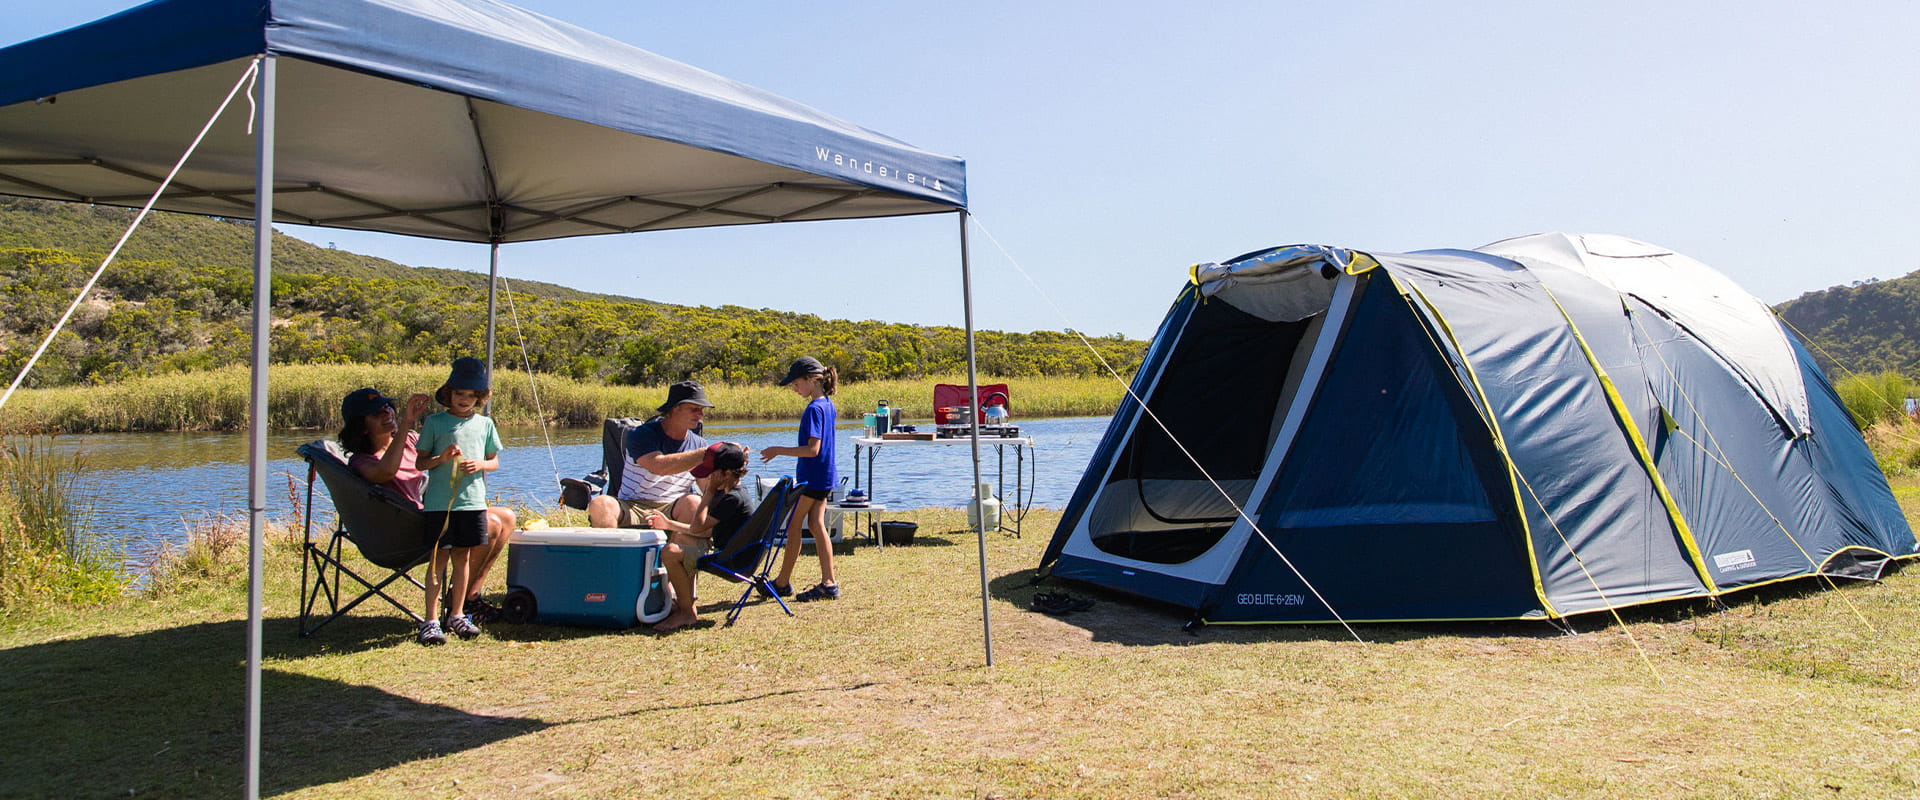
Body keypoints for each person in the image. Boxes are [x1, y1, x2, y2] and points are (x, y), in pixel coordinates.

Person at [337, 385, 516, 639]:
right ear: (362, 426)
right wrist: (405, 423)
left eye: (387, 407)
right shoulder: (362, 460)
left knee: (506, 517)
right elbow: (386, 472)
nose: (386, 412)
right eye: (376, 413)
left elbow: (436, 448)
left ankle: (468, 599)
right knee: (492, 523)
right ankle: (452, 608)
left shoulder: (410, 439)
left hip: (434, 510)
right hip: (410, 528)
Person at [414, 357, 506, 645]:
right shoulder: (434, 423)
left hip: (472, 503)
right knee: (437, 562)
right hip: (440, 504)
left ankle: (457, 613)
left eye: (470, 396)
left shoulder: (485, 424)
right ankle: (430, 620)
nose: (464, 400)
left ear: (479, 398)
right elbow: (420, 463)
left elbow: (494, 462)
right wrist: (441, 459)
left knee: (463, 559)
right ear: (449, 394)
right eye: (459, 394)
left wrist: (479, 464)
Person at [646, 442, 753, 632]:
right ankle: (684, 603)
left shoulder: (731, 498)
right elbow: (702, 532)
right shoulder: (733, 491)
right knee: (682, 539)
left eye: (712, 473)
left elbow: (697, 527)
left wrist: (709, 491)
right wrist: (669, 525)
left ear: (726, 474)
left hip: (730, 560)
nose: (708, 477)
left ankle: (686, 612)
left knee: (670, 552)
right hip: (729, 551)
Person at [586, 381, 717, 532]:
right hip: (632, 505)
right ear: (675, 408)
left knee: (694, 502)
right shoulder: (641, 434)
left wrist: (734, 466)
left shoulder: (699, 445)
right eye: (694, 409)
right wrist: (706, 454)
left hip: (673, 507)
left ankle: (680, 553)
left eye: (701, 410)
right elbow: (659, 466)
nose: (700, 415)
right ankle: (611, 553)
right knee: (600, 504)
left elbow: (708, 487)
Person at [761, 356, 840, 602]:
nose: (794, 389)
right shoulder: (827, 404)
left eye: (796, 384)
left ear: (811, 379)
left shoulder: (814, 408)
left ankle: (783, 582)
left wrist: (777, 450)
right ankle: (829, 582)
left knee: (794, 524)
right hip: (825, 476)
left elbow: (812, 449)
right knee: (816, 525)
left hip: (814, 478)